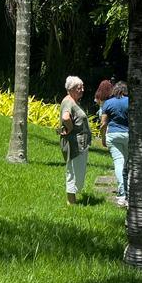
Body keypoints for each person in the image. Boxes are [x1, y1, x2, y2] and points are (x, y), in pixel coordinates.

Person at [60, 76, 92, 205]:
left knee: (79, 171)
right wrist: (70, 128)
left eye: (82, 87)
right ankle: (71, 202)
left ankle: (73, 199)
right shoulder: (68, 101)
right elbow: (65, 117)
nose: (82, 90)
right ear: (71, 89)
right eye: (79, 88)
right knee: (73, 171)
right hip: (74, 143)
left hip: (80, 143)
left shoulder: (74, 101)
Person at [100, 81, 129, 207]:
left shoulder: (108, 103)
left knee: (119, 162)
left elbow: (103, 124)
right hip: (129, 135)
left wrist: (103, 138)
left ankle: (122, 194)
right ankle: (130, 193)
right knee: (128, 164)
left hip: (113, 135)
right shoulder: (130, 102)